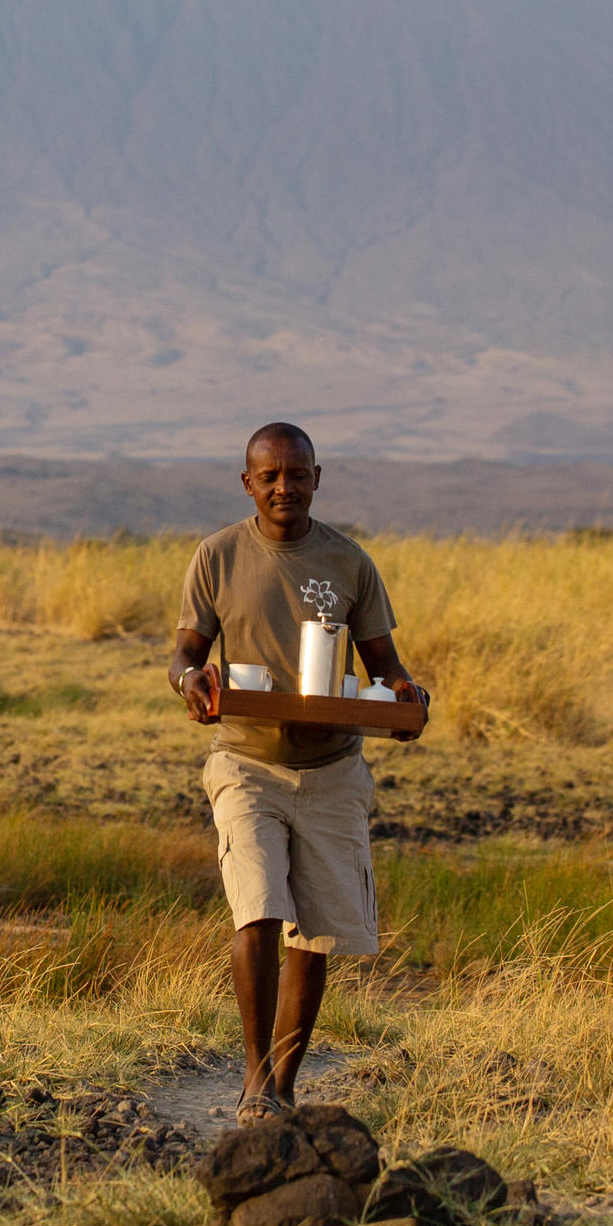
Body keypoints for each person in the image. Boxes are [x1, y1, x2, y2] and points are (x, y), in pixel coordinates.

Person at [168, 422, 429, 1121]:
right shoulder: (218, 557)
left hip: (333, 768)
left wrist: (408, 700)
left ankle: (283, 1086)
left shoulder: (349, 563)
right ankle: (254, 1079)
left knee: (313, 934)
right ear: (248, 482)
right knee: (258, 911)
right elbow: (186, 654)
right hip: (245, 762)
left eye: (298, 474)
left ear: (319, 477)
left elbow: (386, 668)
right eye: (270, 476)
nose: (285, 487)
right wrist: (191, 682)